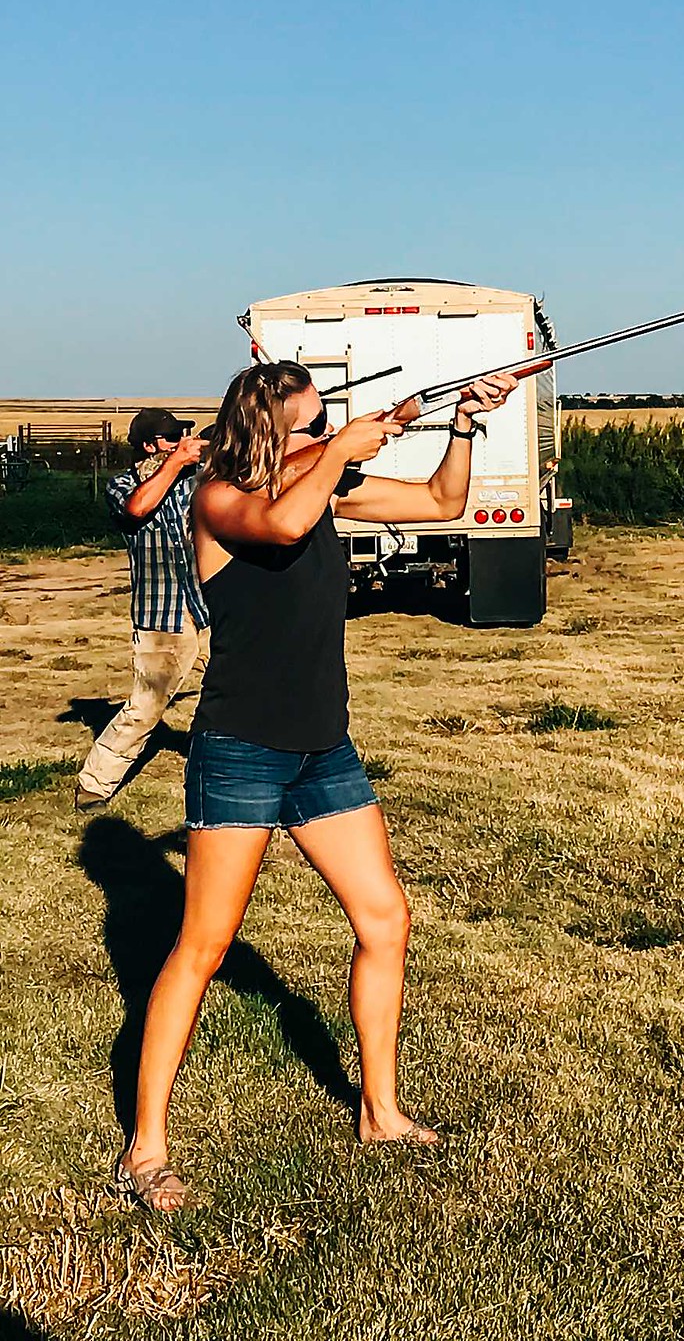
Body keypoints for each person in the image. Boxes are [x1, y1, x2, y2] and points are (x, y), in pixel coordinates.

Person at [114, 361, 517, 1213]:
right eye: (312, 424)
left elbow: (441, 501)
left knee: (386, 920)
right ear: (267, 431)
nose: (326, 434)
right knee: (204, 947)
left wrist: (462, 424)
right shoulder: (218, 499)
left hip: (323, 749)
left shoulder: (325, 485)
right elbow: (284, 520)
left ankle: (380, 1112)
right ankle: (145, 1150)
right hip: (240, 749)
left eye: (327, 422)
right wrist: (341, 450)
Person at [77, 408, 211, 809]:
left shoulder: (192, 478)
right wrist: (177, 462)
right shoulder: (121, 485)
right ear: (150, 446)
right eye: (172, 438)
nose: (180, 443)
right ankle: (95, 783)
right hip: (161, 614)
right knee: (146, 707)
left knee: (240, 688)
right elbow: (137, 508)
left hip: (208, 606)